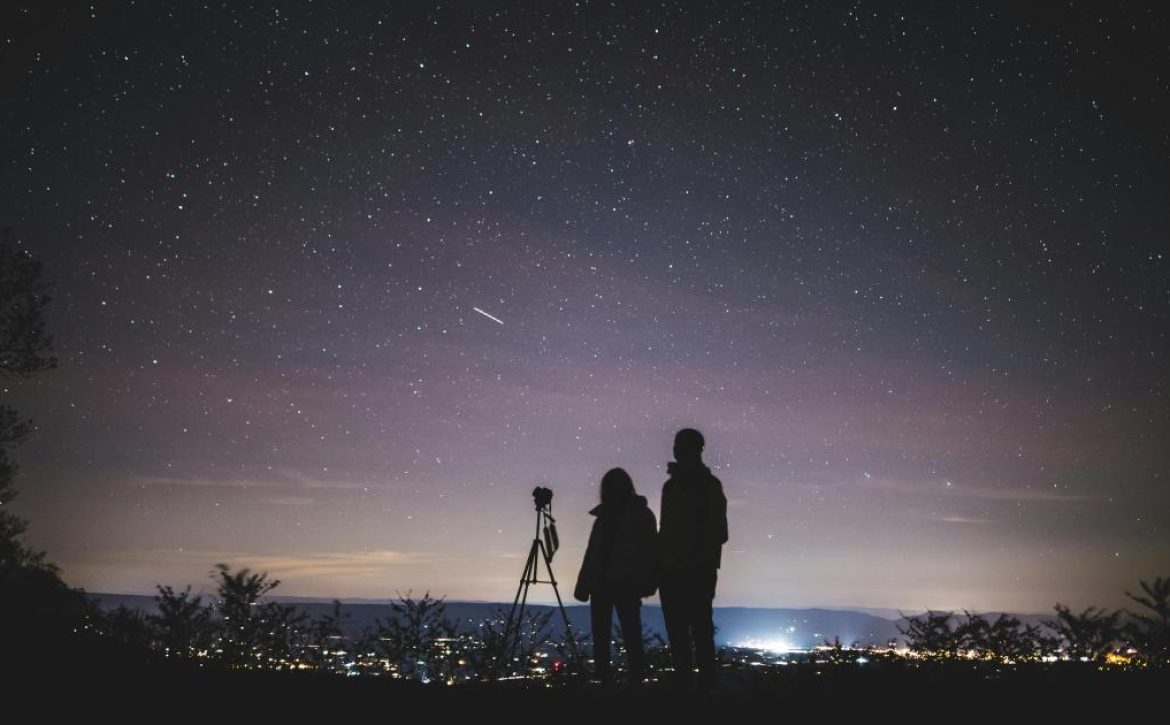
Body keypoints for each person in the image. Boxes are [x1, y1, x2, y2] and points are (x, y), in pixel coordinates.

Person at [574, 467, 658, 687]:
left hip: (623, 583)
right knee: (618, 634)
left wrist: (647, 581)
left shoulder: (633, 515)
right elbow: (593, 553)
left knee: (626, 634)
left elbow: (649, 551)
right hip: (609, 583)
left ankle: (628, 681)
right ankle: (614, 681)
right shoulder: (619, 516)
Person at [658, 428, 728, 692]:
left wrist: (685, 553)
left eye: (680, 445)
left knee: (697, 633)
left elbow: (719, 532)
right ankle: (688, 692)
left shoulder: (707, 486)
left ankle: (701, 693)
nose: (676, 449)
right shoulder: (672, 486)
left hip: (695, 571)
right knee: (683, 635)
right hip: (677, 571)